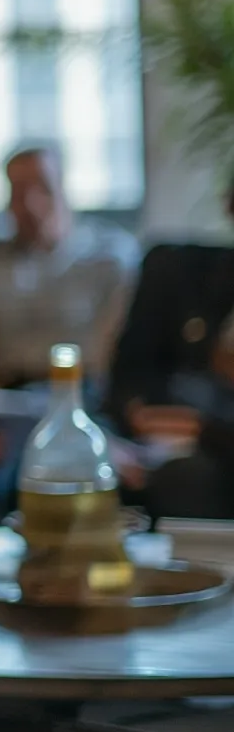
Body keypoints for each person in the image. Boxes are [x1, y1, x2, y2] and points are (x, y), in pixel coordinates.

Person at [0, 145, 140, 390]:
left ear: (65, 190)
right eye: (19, 192)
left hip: (85, 393)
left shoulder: (112, 259)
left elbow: (120, 355)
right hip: (7, 396)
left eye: (43, 188)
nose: (31, 205)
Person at [105, 186, 234, 519]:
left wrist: (202, 430)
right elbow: (126, 382)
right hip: (156, 443)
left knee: (186, 478)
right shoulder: (183, 274)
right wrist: (130, 424)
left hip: (212, 453)